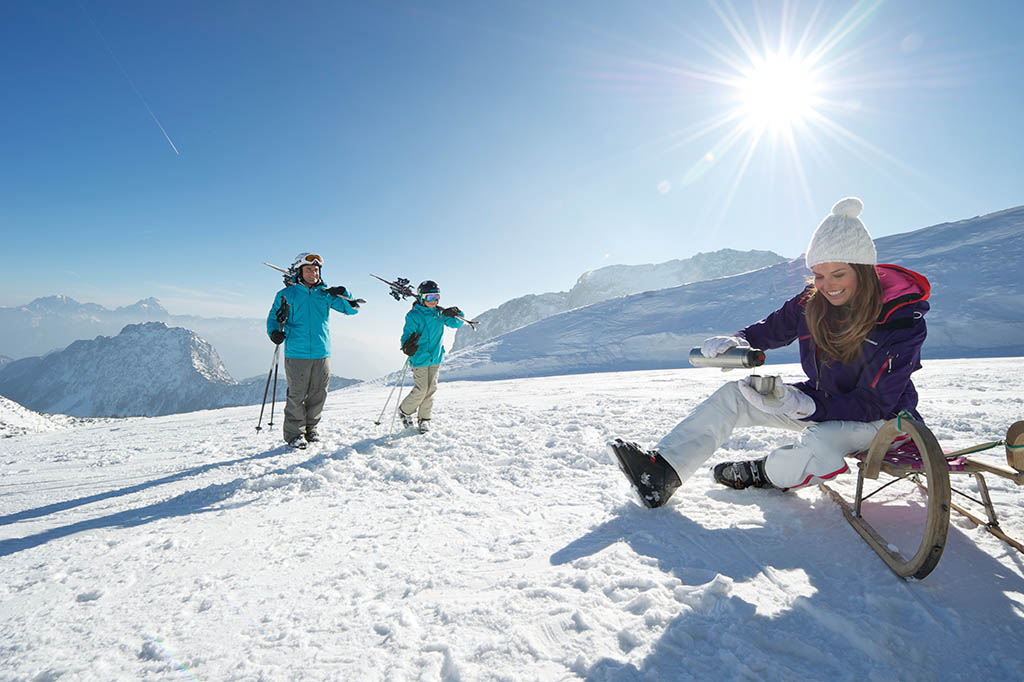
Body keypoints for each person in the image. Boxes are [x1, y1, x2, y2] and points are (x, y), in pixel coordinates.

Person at [611, 197, 931, 508]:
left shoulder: (899, 321)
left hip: (882, 422)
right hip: (822, 403)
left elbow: (874, 402)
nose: (827, 285)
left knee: (821, 442)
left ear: (862, 270)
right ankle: (662, 473)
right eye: (819, 275)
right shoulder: (812, 302)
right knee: (735, 397)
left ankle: (764, 472)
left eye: (838, 274)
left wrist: (805, 404)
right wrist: (737, 341)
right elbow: (769, 330)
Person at [267, 252, 362, 448]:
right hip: (296, 352)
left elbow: (351, 310)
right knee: (297, 394)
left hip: (321, 352)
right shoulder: (286, 295)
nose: (314, 273)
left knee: (319, 393)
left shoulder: (325, 294)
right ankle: (295, 434)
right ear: (299, 271)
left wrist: (345, 293)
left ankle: (311, 429)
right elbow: (273, 318)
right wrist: (274, 332)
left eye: (316, 269)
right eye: (309, 269)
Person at [398, 280, 464, 433]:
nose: (434, 301)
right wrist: (407, 346)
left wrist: (456, 312)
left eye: (437, 297)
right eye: (430, 297)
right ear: (421, 298)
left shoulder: (440, 314)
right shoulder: (414, 315)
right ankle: (405, 411)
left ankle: (424, 419)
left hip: (435, 356)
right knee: (422, 389)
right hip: (420, 357)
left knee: (431, 389)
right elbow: (406, 334)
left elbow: (457, 324)